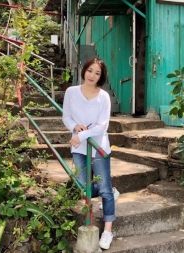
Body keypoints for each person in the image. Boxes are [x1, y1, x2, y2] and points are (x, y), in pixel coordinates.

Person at [62, 57, 115, 250]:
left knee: (105, 191)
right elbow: (66, 116)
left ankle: (108, 230)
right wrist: (74, 126)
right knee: (85, 187)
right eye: (90, 70)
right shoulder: (71, 92)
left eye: (97, 73)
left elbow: (103, 126)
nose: (92, 75)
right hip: (78, 147)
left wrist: (82, 134)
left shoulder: (104, 97)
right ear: (84, 71)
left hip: (98, 146)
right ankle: (109, 187)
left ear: (101, 77)